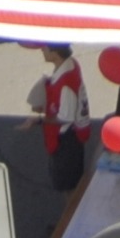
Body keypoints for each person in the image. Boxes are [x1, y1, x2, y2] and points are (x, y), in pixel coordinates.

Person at [28, 45, 91, 194]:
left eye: (45, 48)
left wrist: (38, 120)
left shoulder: (65, 83)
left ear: (55, 53)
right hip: (72, 138)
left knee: (69, 189)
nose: (42, 50)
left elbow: (66, 117)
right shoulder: (70, 64)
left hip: (67, 142)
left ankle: (70, 216)